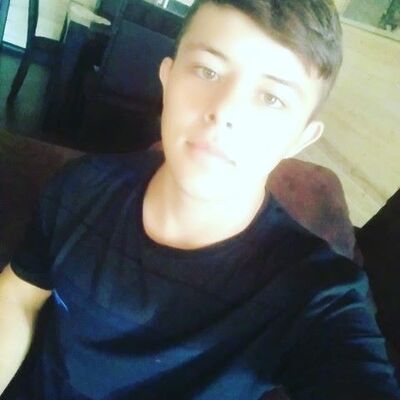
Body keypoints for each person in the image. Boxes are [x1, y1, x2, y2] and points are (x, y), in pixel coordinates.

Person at [0, 0, 399, 398]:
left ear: (300, 139)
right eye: (208, 71)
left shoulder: (314, 292)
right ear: (167, 78)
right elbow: (18, 296)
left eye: (271, 98)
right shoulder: (80, 186)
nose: (224, 111)